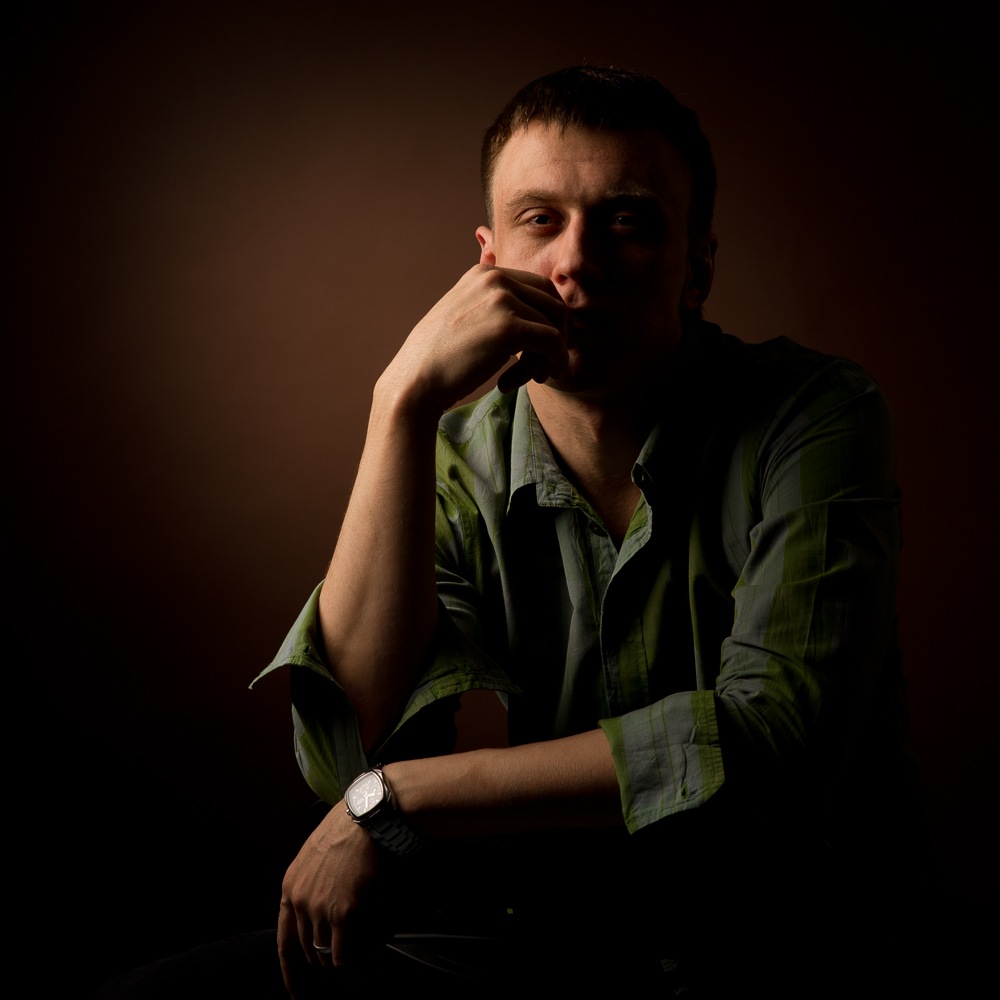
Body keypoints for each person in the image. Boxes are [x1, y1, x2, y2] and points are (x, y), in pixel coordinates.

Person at [255, 66, 926, 997]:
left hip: (798, 959)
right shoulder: (454, 462)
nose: (576, 263)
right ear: (489, 262)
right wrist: (398, 403)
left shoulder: (815, 415)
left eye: (628, 221)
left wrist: (403, 799)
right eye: (541, 221)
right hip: (549, 959)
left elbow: (774, 741)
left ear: (697, 268)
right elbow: (352, 747)